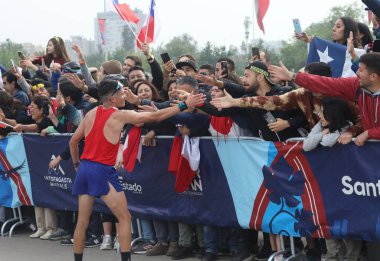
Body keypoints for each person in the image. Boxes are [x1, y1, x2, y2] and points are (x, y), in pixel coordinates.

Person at [69, 79, 204, 261]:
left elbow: (73, 142)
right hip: (102, 170)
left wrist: (77, 165)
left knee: (82, 222)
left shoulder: (91, 113)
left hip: (85, 168)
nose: (125, 95)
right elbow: (155, 117)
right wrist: (184, 104)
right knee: (125, 218)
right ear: (114, 99)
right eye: (122, 93)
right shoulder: (119, 115)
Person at [267, 52, 380, 146]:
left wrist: (368, 134)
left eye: (360, 70)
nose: (356, 72)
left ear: (373, 77)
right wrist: (292, 76)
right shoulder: (356, 86)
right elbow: (327, 83)